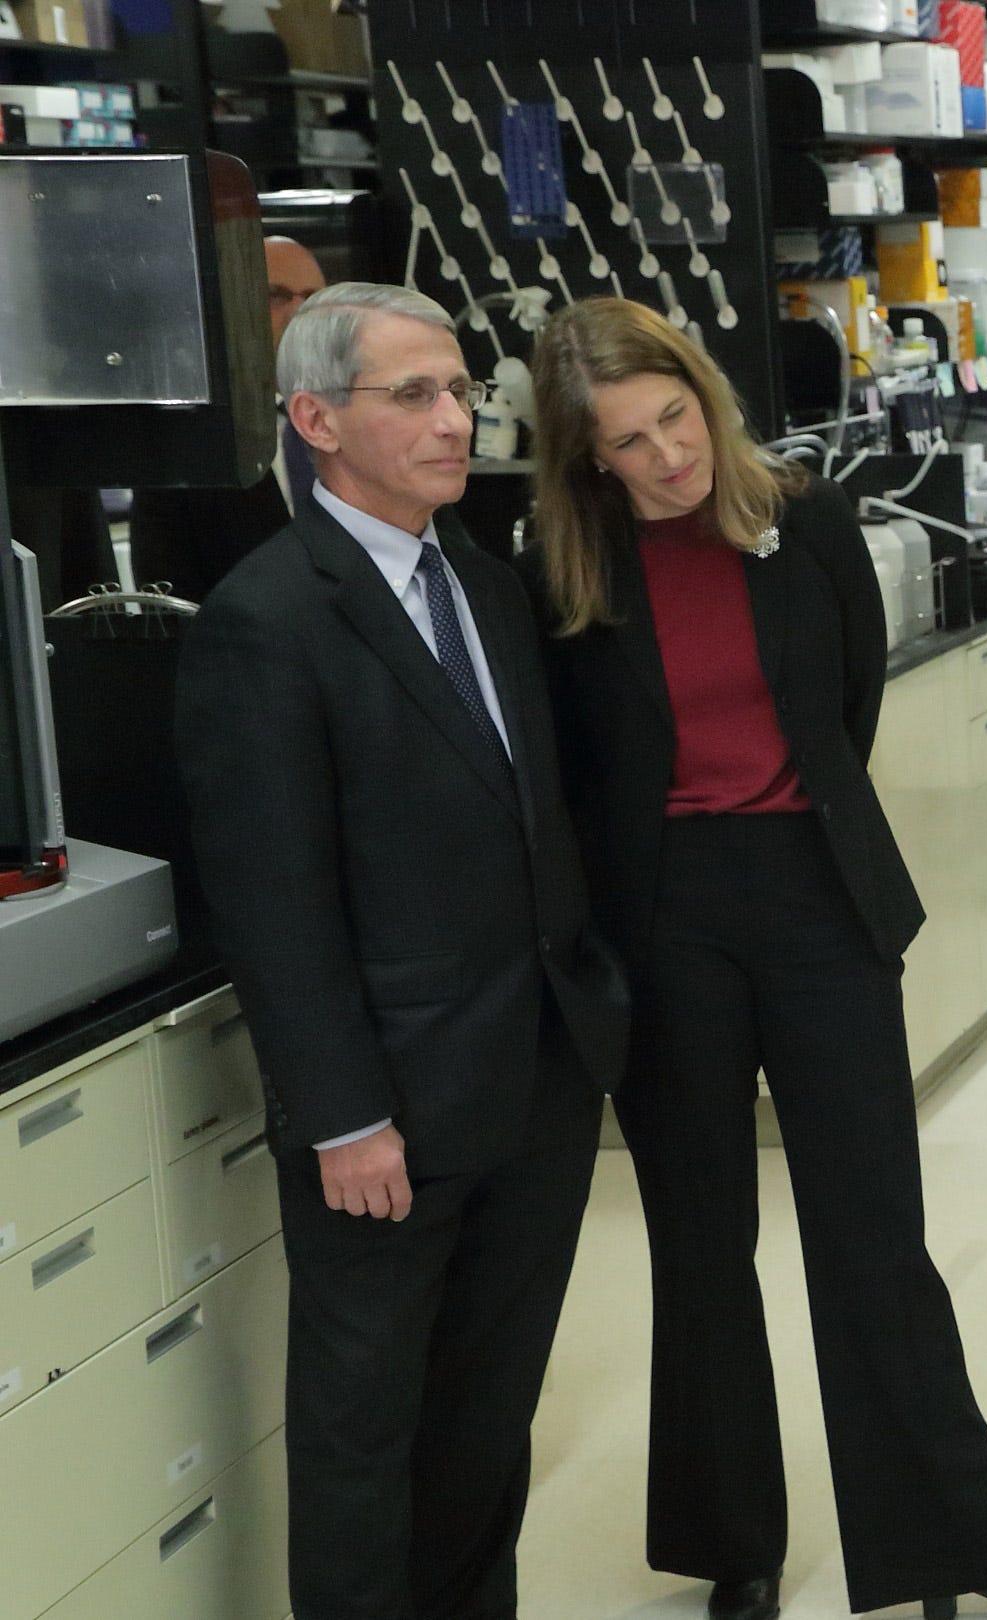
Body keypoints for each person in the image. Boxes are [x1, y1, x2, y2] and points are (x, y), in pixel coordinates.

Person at [516, 298, 987, 1620]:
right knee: (700, 1239)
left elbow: (846, 705)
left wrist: (779, 816)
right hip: (665, 919)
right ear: (588, 462)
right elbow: (576, 774)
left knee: (873, 1234)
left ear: (702, 396)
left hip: (813, 893)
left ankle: (962, 1551)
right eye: (630, 442)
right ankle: (735, 1549)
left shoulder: (809, 523)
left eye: (675, 417)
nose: (668, 457)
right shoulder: (568, 575)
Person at [173, 281, 631, 1620]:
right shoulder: (268, 621)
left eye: (459, 390)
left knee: (485, 1421)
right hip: (388, 1120)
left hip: (532, 1081)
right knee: (366, 1436)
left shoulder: (483, 588)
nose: (457, 419)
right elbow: (274, 900)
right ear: (316, 419)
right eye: (415, 396)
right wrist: (343, 1116)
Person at [132, 234, 327, 601]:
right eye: (276, 296)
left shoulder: (368, 421)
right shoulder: (186, 447)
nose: (301, 314)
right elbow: (169, 602)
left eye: (316, 300)